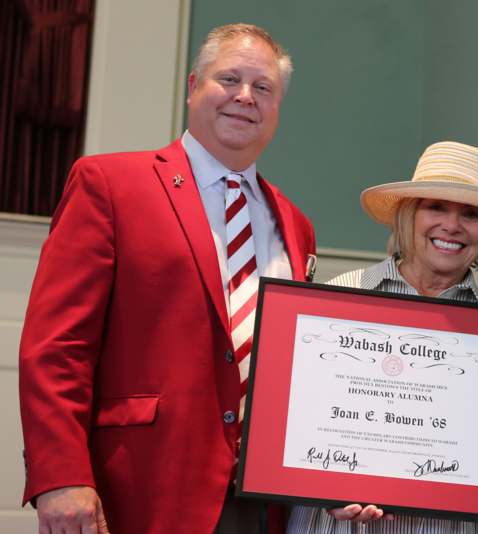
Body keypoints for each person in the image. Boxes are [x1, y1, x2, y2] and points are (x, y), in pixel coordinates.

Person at [19, 23, 315, 534]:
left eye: (262, 88)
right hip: (137, 487)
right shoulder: (110, 184)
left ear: (277, 108)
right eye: (230, 79)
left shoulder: (295, 223)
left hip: (262, 502)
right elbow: (56, 347)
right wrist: (60, 475)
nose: (245, 97)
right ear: (193, 86)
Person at [288, 140, 478, 534]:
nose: (452, 226)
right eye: (436, 206)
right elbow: (298, 423)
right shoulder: (339, 297)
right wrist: (321, 487)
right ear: (409, 214)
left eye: (471, 214)